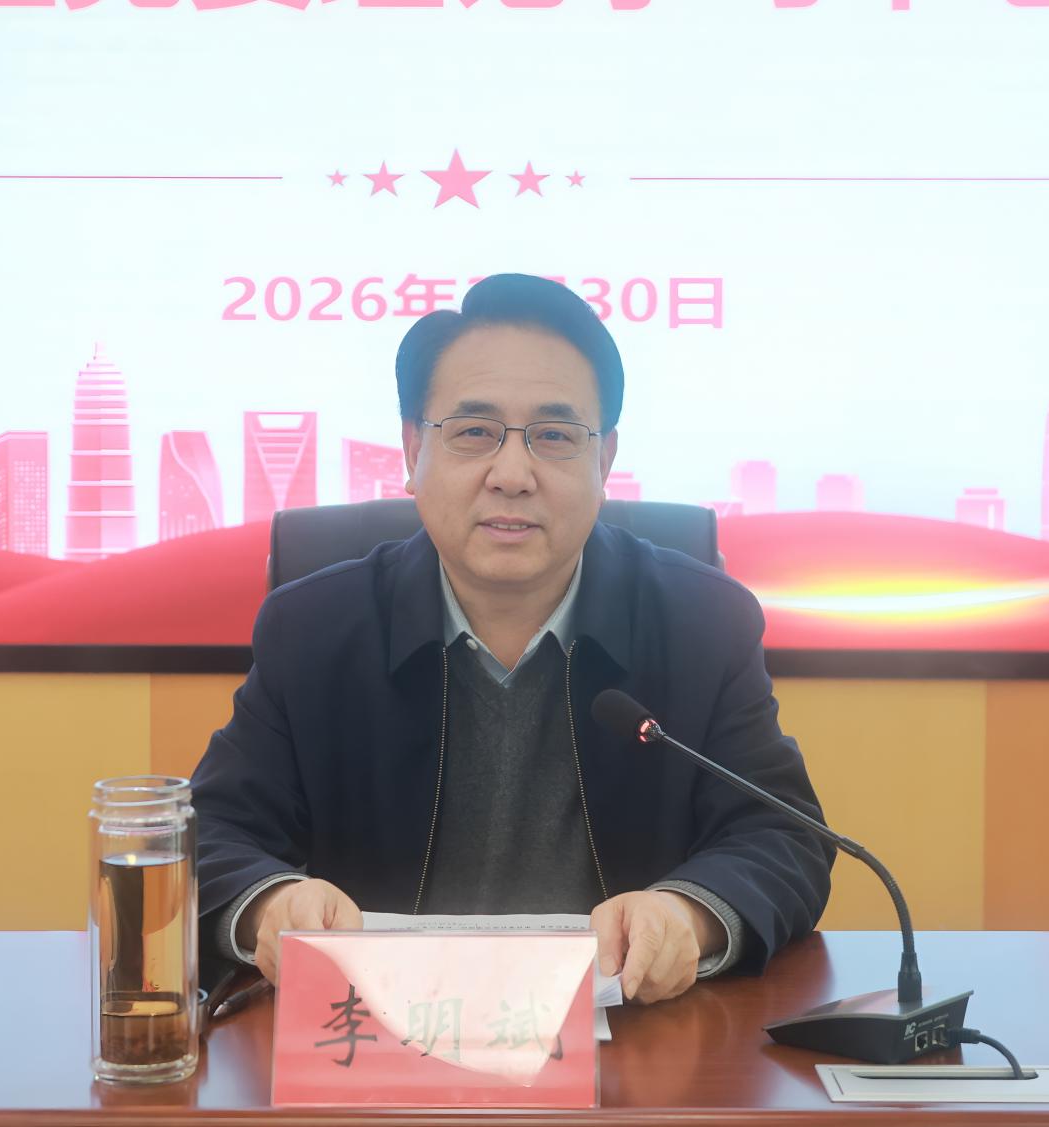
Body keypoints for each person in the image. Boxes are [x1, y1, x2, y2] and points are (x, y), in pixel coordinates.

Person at [192, 273, 833, 1005]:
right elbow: (211, 832)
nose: (512, 474)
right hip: (370, 1034)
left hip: (631, 1038)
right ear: (412, 449)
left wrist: (688, 914)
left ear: (604, 460)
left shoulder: (701, 621)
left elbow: (783, 837)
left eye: (554, 436)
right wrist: (271, 903)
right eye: (474, 432)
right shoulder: (314, 628)